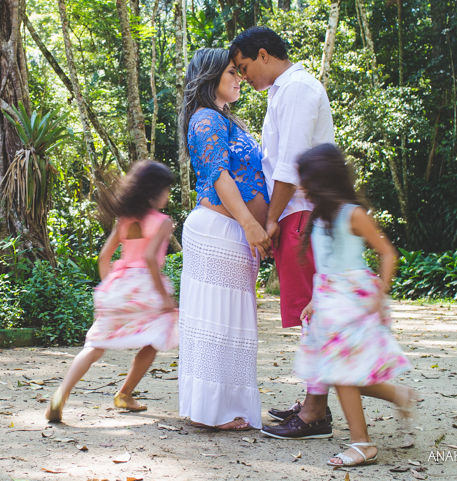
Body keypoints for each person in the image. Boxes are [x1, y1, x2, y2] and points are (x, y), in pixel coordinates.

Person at [229, 27, 336, 439]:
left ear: (262, 54)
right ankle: (315, 402)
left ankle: (315, 414)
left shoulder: (298, 90)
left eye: (243, 68)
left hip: (302, 212)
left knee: (314, 312)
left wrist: (271, 219)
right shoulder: (281, 91)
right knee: (309, 312)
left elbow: (289, 165)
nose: (243, 78)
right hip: (296, 211)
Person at [293, 143, 415, 467]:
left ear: (323, 179)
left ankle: (363, 444)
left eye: (305, 179)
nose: (300, 186)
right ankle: (397, 395)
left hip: (353, 300)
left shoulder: (353, 214)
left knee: (341, 371)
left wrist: (380, 295)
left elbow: (388, 253)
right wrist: (313, 299)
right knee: (338, 372)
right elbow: (326, 266)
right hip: (330, 300)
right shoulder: (320, 216)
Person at [178, 47, 271, 431]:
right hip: (220, 230)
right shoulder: (204, 119)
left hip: (231, 233)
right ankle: (213, 411)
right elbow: (219, 175)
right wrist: (251, 224)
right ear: (211, 76)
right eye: (233, 72)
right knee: (219, 322)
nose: (239, 78)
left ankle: (224, 407)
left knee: (233, 322)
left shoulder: (224, 119)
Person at [45, 160, 178, 423]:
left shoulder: (124, 221)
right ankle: (125, 394)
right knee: (155, 339)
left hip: (117, 287)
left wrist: (110, 289)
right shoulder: (164, 222)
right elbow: (151, 258)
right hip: (147, 288)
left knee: (95, 345)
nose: (168, 195)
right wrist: (165, 298)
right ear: (153, 191)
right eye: (166, 190)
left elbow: (103, 258)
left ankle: (62, 393)